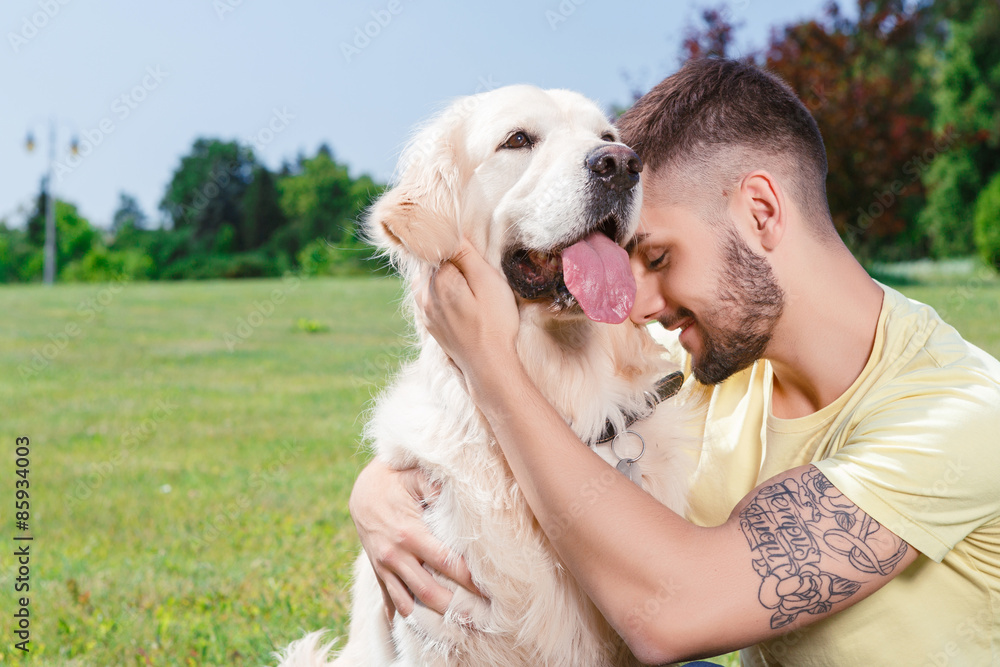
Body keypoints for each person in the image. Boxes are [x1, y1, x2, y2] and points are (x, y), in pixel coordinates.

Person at [348, 58, 1000, 665]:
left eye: (657, 259)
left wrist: (488, 366)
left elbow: (675, 611)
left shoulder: (963, 414)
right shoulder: (699, 368)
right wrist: (380, 490)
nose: (638, 304)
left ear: (762, 212)